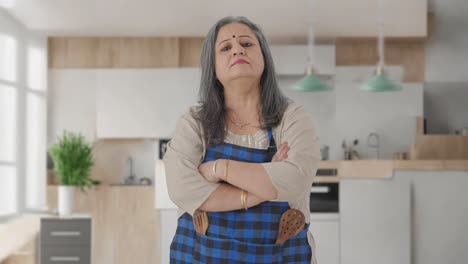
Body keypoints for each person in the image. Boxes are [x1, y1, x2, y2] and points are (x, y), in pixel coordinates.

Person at [163, 16, 321, 264]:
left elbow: (294, 181)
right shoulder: (194, 121)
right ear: (212, 67)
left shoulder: (292, 118)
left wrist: (219, 169)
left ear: (264, 58)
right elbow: (182, 188)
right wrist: (261, 191)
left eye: (247, 44)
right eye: (225, 47)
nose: (237, 48)